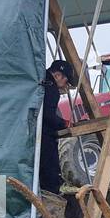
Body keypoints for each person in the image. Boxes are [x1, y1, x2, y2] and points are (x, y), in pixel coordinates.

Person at [39, 60, 75, 205]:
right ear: (58, 75)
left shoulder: (40, 80)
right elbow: (48, 115)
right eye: (66, 80)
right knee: (50, 172)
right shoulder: (51, 88)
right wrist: (63, 123)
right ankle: (50, 208)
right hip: (44, 137)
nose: (66, 85)